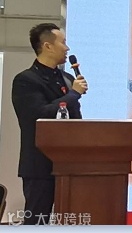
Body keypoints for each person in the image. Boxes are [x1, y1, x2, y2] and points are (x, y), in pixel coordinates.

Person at [11, 23, 88, 225]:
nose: (67, 48)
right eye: (63, 42)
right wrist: (74, 94)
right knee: (37, 221)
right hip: (40, 166)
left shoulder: (67, 78)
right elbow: (40, 115)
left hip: (69, 164)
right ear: (47, 46)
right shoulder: (26, 80)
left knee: (72, 219)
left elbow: (75, 120)